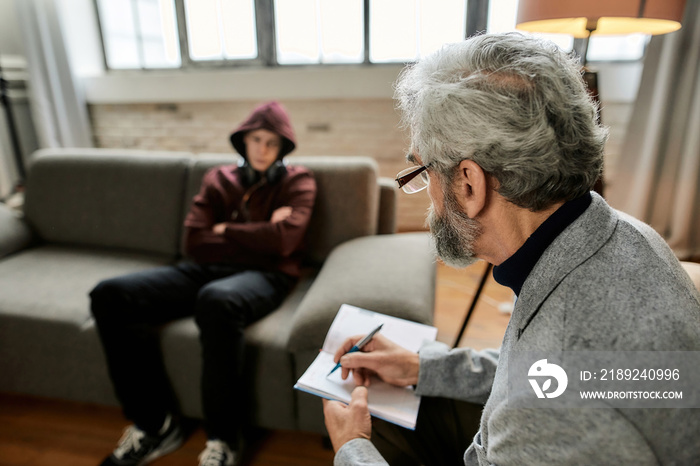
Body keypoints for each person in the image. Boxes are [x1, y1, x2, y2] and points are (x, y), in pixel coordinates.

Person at [323, 33, 700, 465]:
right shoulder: (627, 235)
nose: (428, 198)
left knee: (363, 424)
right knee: (384, 399)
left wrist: (351, 450)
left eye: (424, 171)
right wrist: (423, 368)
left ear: (468, 184)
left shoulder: (546, 417)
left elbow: (552, 383)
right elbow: (567, 373)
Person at [91, 101, 316, 466]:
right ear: (242, 141)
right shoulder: (217, 178)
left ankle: (223, 439)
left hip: (267, 275)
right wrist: (262, 232)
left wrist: (225, 229)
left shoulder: (299, 181)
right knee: (110, 295)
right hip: (205, 267)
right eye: (256, 139)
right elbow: (194, 241)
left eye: (272, 143)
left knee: (217, 301)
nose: (262, 149)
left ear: (283, 148)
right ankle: (154, 424)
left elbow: (285, 243)